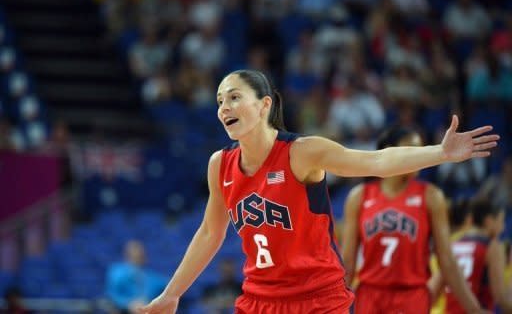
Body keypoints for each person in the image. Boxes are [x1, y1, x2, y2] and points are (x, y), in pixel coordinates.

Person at [137, 69, 498, 314]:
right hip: (259, 300)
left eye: (234, 97)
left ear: (264, 105)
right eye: (219, 101)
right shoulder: (220, 164)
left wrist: (441, 153)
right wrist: (172, 293)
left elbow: (375, 161)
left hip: (317, 300)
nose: (224, 108)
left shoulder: (302, 152)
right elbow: (209, 233)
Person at [341, 126, 491, 314]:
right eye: (411, 150)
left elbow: (446, 260)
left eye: (421, 150)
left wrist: (474, 309)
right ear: (390, 151)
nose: (419, 158)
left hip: (412, 296)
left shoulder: (431, 196)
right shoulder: (359, 196)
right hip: (370, 295)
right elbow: (347, 262)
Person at [430, 199, 512, 313]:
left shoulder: (453, 244)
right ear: (489, 221)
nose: (503, 227)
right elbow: (500, 297)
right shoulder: (492, 246)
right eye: (501, 221)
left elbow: (433, 289)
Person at [106, 240, 167, 314]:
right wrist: (128, 304)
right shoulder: (117, 271)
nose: (139, 254)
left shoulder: (152, 276)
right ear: (127, 254)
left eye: (141, 252)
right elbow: (112, 294)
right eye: (135, 251)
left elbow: (169, 285)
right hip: (125, 310)